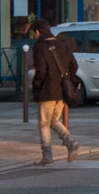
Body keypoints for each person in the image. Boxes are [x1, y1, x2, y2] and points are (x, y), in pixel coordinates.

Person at [29, 18, 81, 165]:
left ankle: (47, 156)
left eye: (34, 33)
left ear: (38, 32)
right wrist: (66, 79)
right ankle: (70, 142)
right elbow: (74, 65)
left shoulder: (40, 47)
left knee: (44, 124)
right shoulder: (63, 45)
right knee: (53, 120)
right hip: (62, 91)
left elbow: (41, 71)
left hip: (47, 91)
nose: (34, 36)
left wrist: (37, 85)